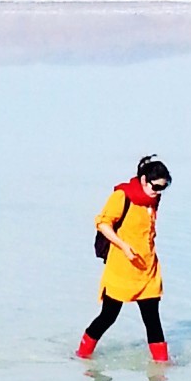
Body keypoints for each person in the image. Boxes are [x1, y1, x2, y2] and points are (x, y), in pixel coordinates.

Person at [75, 154, 171, 361]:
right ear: (144, 180)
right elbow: (102, 223)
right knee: (109, 316)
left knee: (152, 318)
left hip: (147, 267)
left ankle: (162, 368)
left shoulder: (153, 199)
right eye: (155, 187)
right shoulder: (123, 196)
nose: (158, 192)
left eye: (163, 188)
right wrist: (124, 246)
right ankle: (82, 356)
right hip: (122, 266)